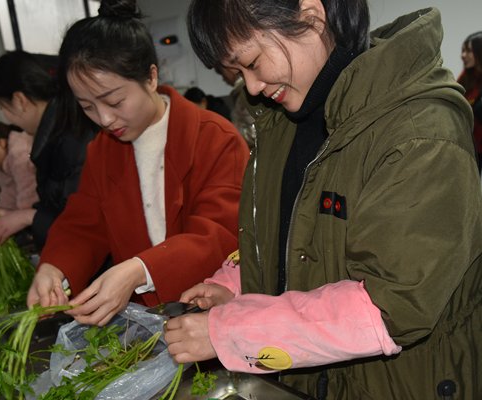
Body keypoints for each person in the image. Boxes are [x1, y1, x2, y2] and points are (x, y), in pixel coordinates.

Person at [164, 1, 482, 399]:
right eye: (238, 72)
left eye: (253, 62)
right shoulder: (283, 120)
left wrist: (231, 332)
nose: (252, 87)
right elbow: (295, 240)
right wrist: (238, 286)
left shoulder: (419, 133)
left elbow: (390, 307)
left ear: (311, 17)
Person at [26, 0, 250, 327]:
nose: (104, 118)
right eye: (87, 106)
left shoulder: (214, 138)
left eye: (115, 101)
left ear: (151, 77)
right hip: (149, 323)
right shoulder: (104, 150)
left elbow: (220, 235)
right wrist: (54, 267)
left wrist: (138, 270)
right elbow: (83, 224)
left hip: (213, 318)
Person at [0, 51, 98, 249]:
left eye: (1, 106)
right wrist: (18, 217)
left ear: (19, 100)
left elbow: (85, 223)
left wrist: (29, 217)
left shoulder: (68, 138)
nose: (5, 116)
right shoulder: (60, 128)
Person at [457, 31, 482, 170]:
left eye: (468, 51)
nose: (463, 55)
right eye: (463, 50)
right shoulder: (466, 77)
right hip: (470, 145)